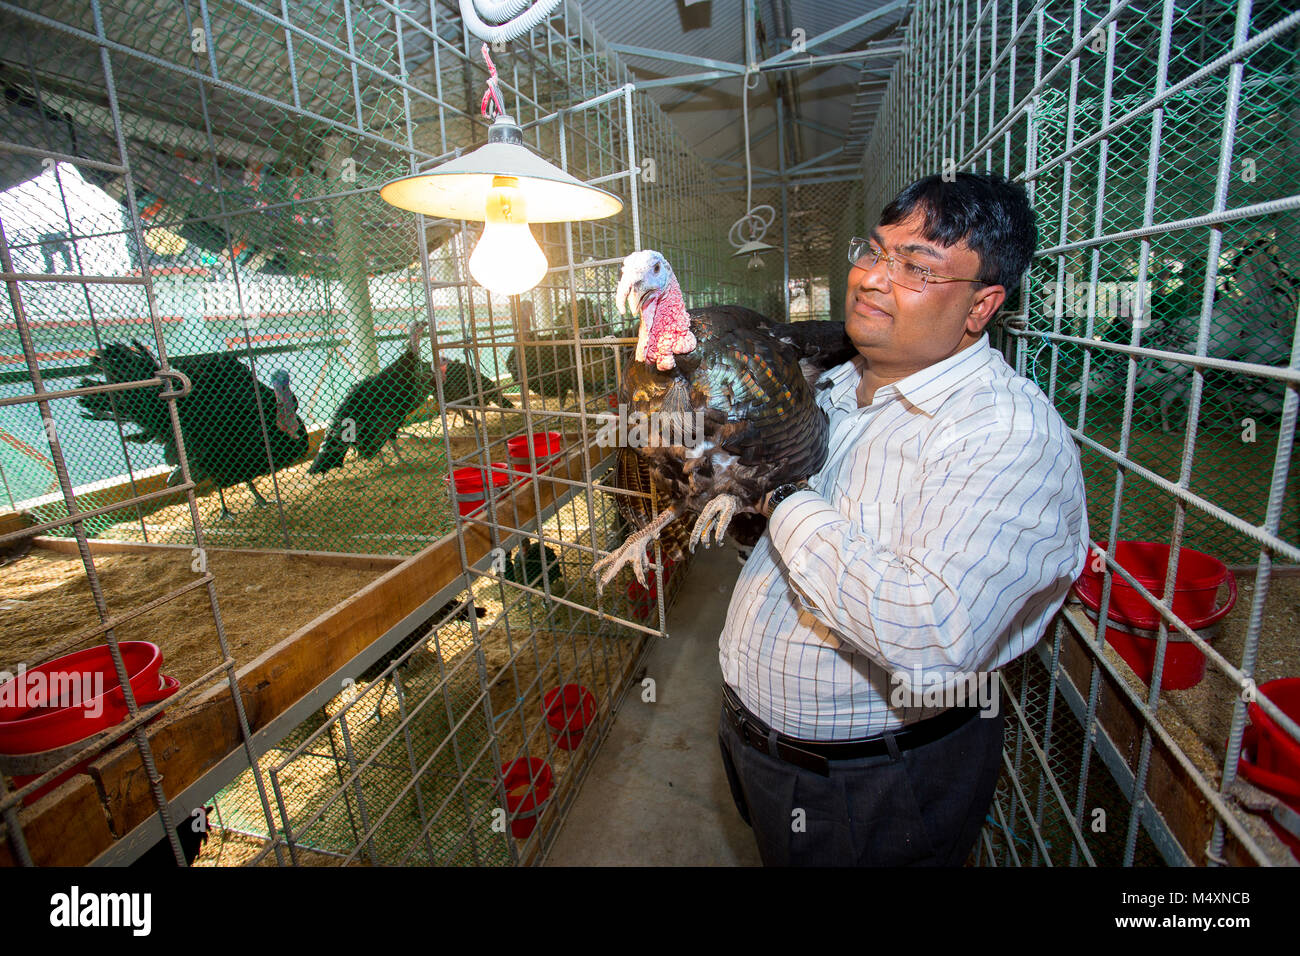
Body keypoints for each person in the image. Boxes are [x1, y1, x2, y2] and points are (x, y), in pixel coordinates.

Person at [716, 171, 1088, 866]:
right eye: (874, 251)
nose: (873, 279)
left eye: (917, 267)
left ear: (982, 306)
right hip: (761, 748)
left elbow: (932, 635)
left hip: (871, 785)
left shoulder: (1006, 435)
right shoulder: (826, 382)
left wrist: (780, 493)